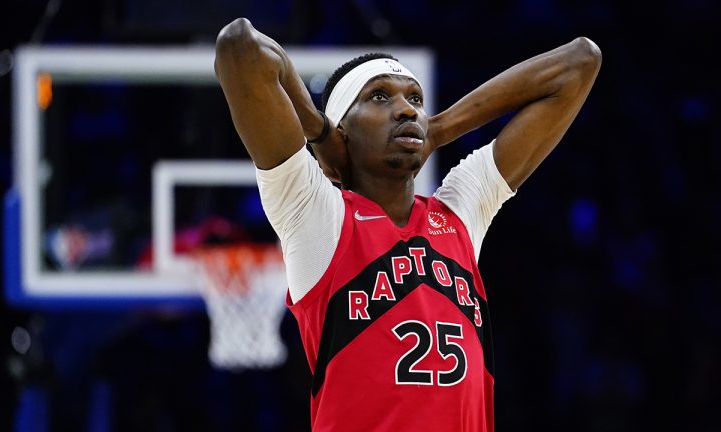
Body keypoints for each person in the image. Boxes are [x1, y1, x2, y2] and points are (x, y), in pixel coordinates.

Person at [214, 17, 601, 432]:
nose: (406, 109)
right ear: (345, 128)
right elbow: (240, 47)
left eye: (415, 100)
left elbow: (579, 62)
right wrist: (319, 130)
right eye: (379, 97)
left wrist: (440, 128)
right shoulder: (315, 214)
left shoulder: (459, 212)